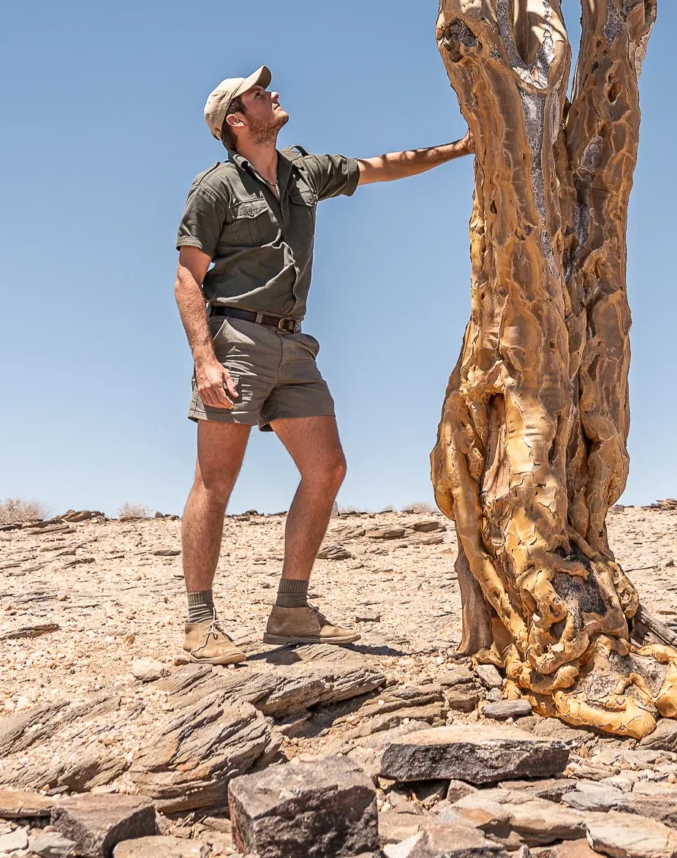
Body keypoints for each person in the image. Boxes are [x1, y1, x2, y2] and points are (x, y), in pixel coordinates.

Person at [174, 65, 471, 664]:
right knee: (217, 480)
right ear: (237, 119)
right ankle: (200, 621)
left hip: (295, 345)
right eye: (261, 94)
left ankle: (291, 609)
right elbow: (187, 276)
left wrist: (462, 148)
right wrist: (205, 359)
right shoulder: (215, 188)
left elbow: (382, 166)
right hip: (235, 339)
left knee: (327, 469)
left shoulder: (303, 171)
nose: (274, 94)